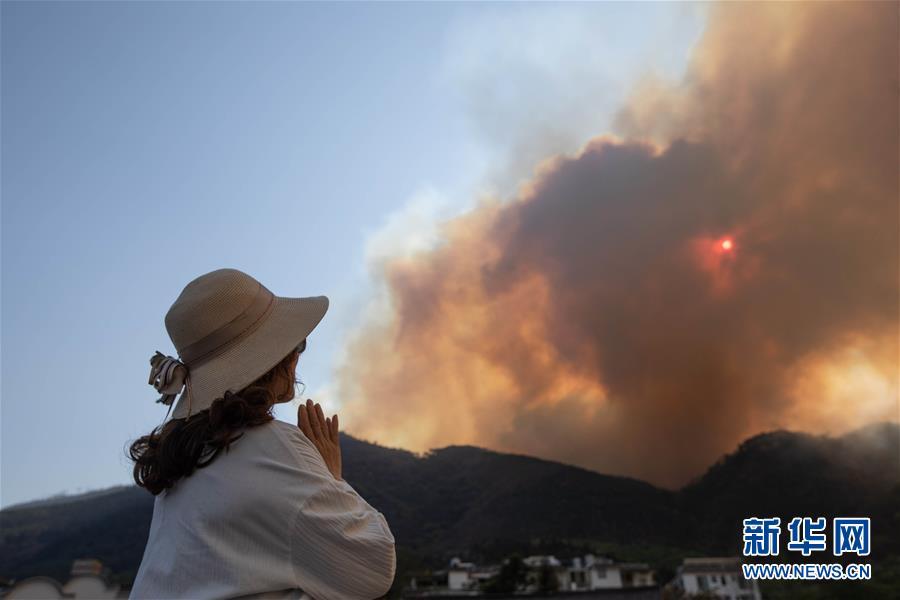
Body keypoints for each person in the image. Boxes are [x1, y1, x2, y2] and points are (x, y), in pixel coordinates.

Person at [128, 268, 396, 600]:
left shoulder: (181, 464)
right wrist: (331, 478)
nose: (298, 355)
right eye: (297, 343)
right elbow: (372, 568)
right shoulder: (274, 447)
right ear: (275, 359)